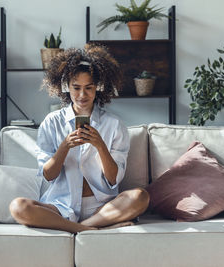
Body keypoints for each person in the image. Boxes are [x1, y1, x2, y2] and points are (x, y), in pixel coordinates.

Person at [9, 44, 150, 233]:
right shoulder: (52, 122)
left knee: (140, 196)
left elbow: (113, 179)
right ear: (66, 86)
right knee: (18, 207)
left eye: (88, 88)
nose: (82, 95)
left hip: (102, 207)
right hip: (60, 206)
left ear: (98, 87)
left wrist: (100, 145)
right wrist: (64, 147)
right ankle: (90, 228)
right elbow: (48, 176)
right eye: (76, 88)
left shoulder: (114, 125)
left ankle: (80, 227)